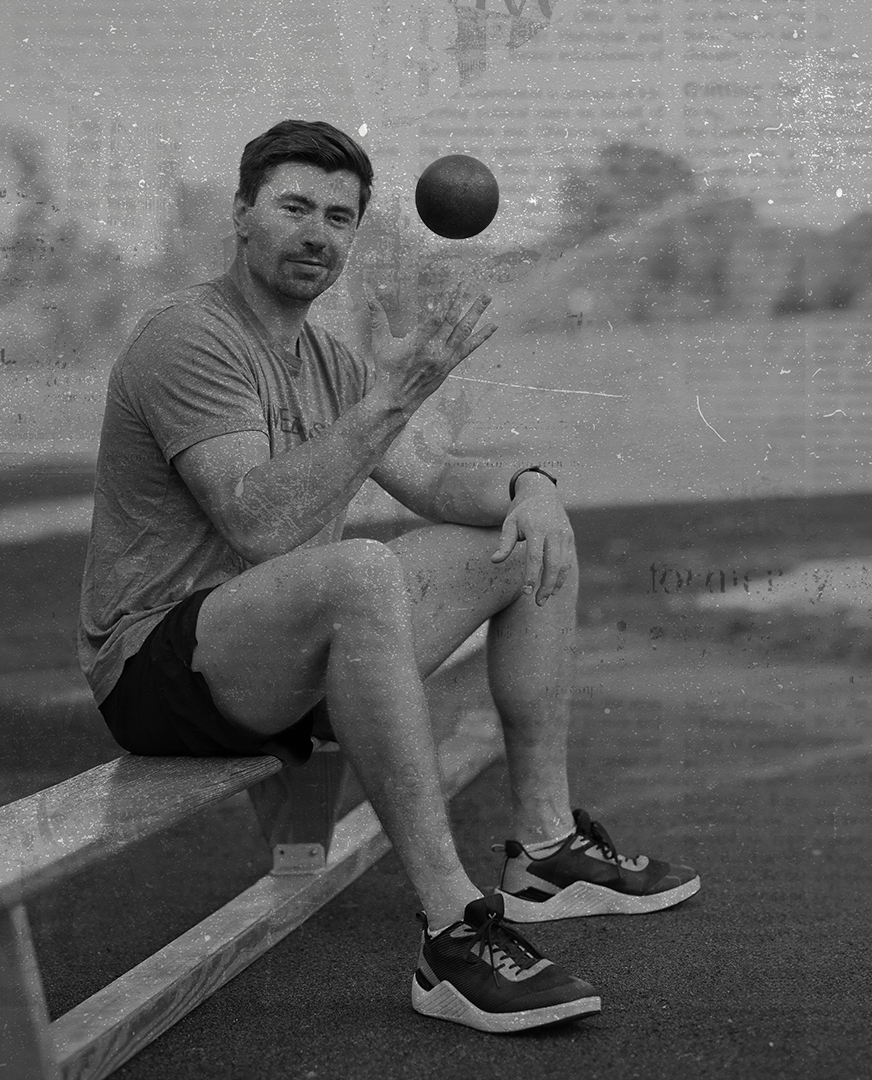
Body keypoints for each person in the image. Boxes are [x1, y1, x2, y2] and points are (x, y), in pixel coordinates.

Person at [78, 119, 700, 1034]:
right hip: (160, 668)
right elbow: (258, 522)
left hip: (282, 661)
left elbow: (436, 479)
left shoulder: (330, 362)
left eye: (339, 218)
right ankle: (452, 932)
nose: (317, 234)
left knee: (529, 540)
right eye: (294, 208)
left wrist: (532, 486)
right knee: (362, 572)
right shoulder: (190, 338)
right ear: (241, 215)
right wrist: (395, 396)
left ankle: (545, 851)